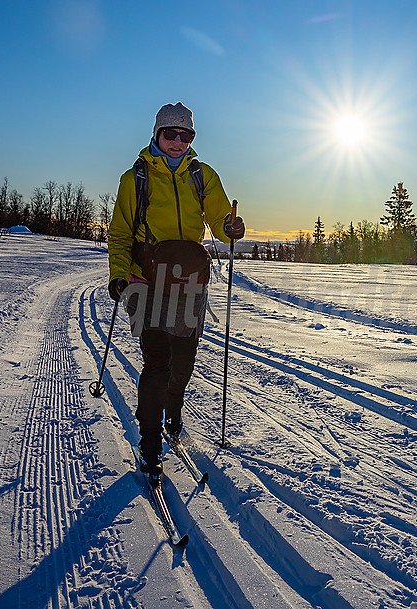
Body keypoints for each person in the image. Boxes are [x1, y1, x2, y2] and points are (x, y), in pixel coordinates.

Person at [107, 102, 244, 485]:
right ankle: (148, 444)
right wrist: (119, 275)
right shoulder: (134, 178)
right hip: (146, 280)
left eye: (186, 135)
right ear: (156, 134)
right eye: (171, 134)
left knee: (184, 359)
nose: (178, 142)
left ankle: (173, 412)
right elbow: (119, 234)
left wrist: (230, 226)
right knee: (158, 361)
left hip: (188, 281)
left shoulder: (202, 175)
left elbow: (218, 218)